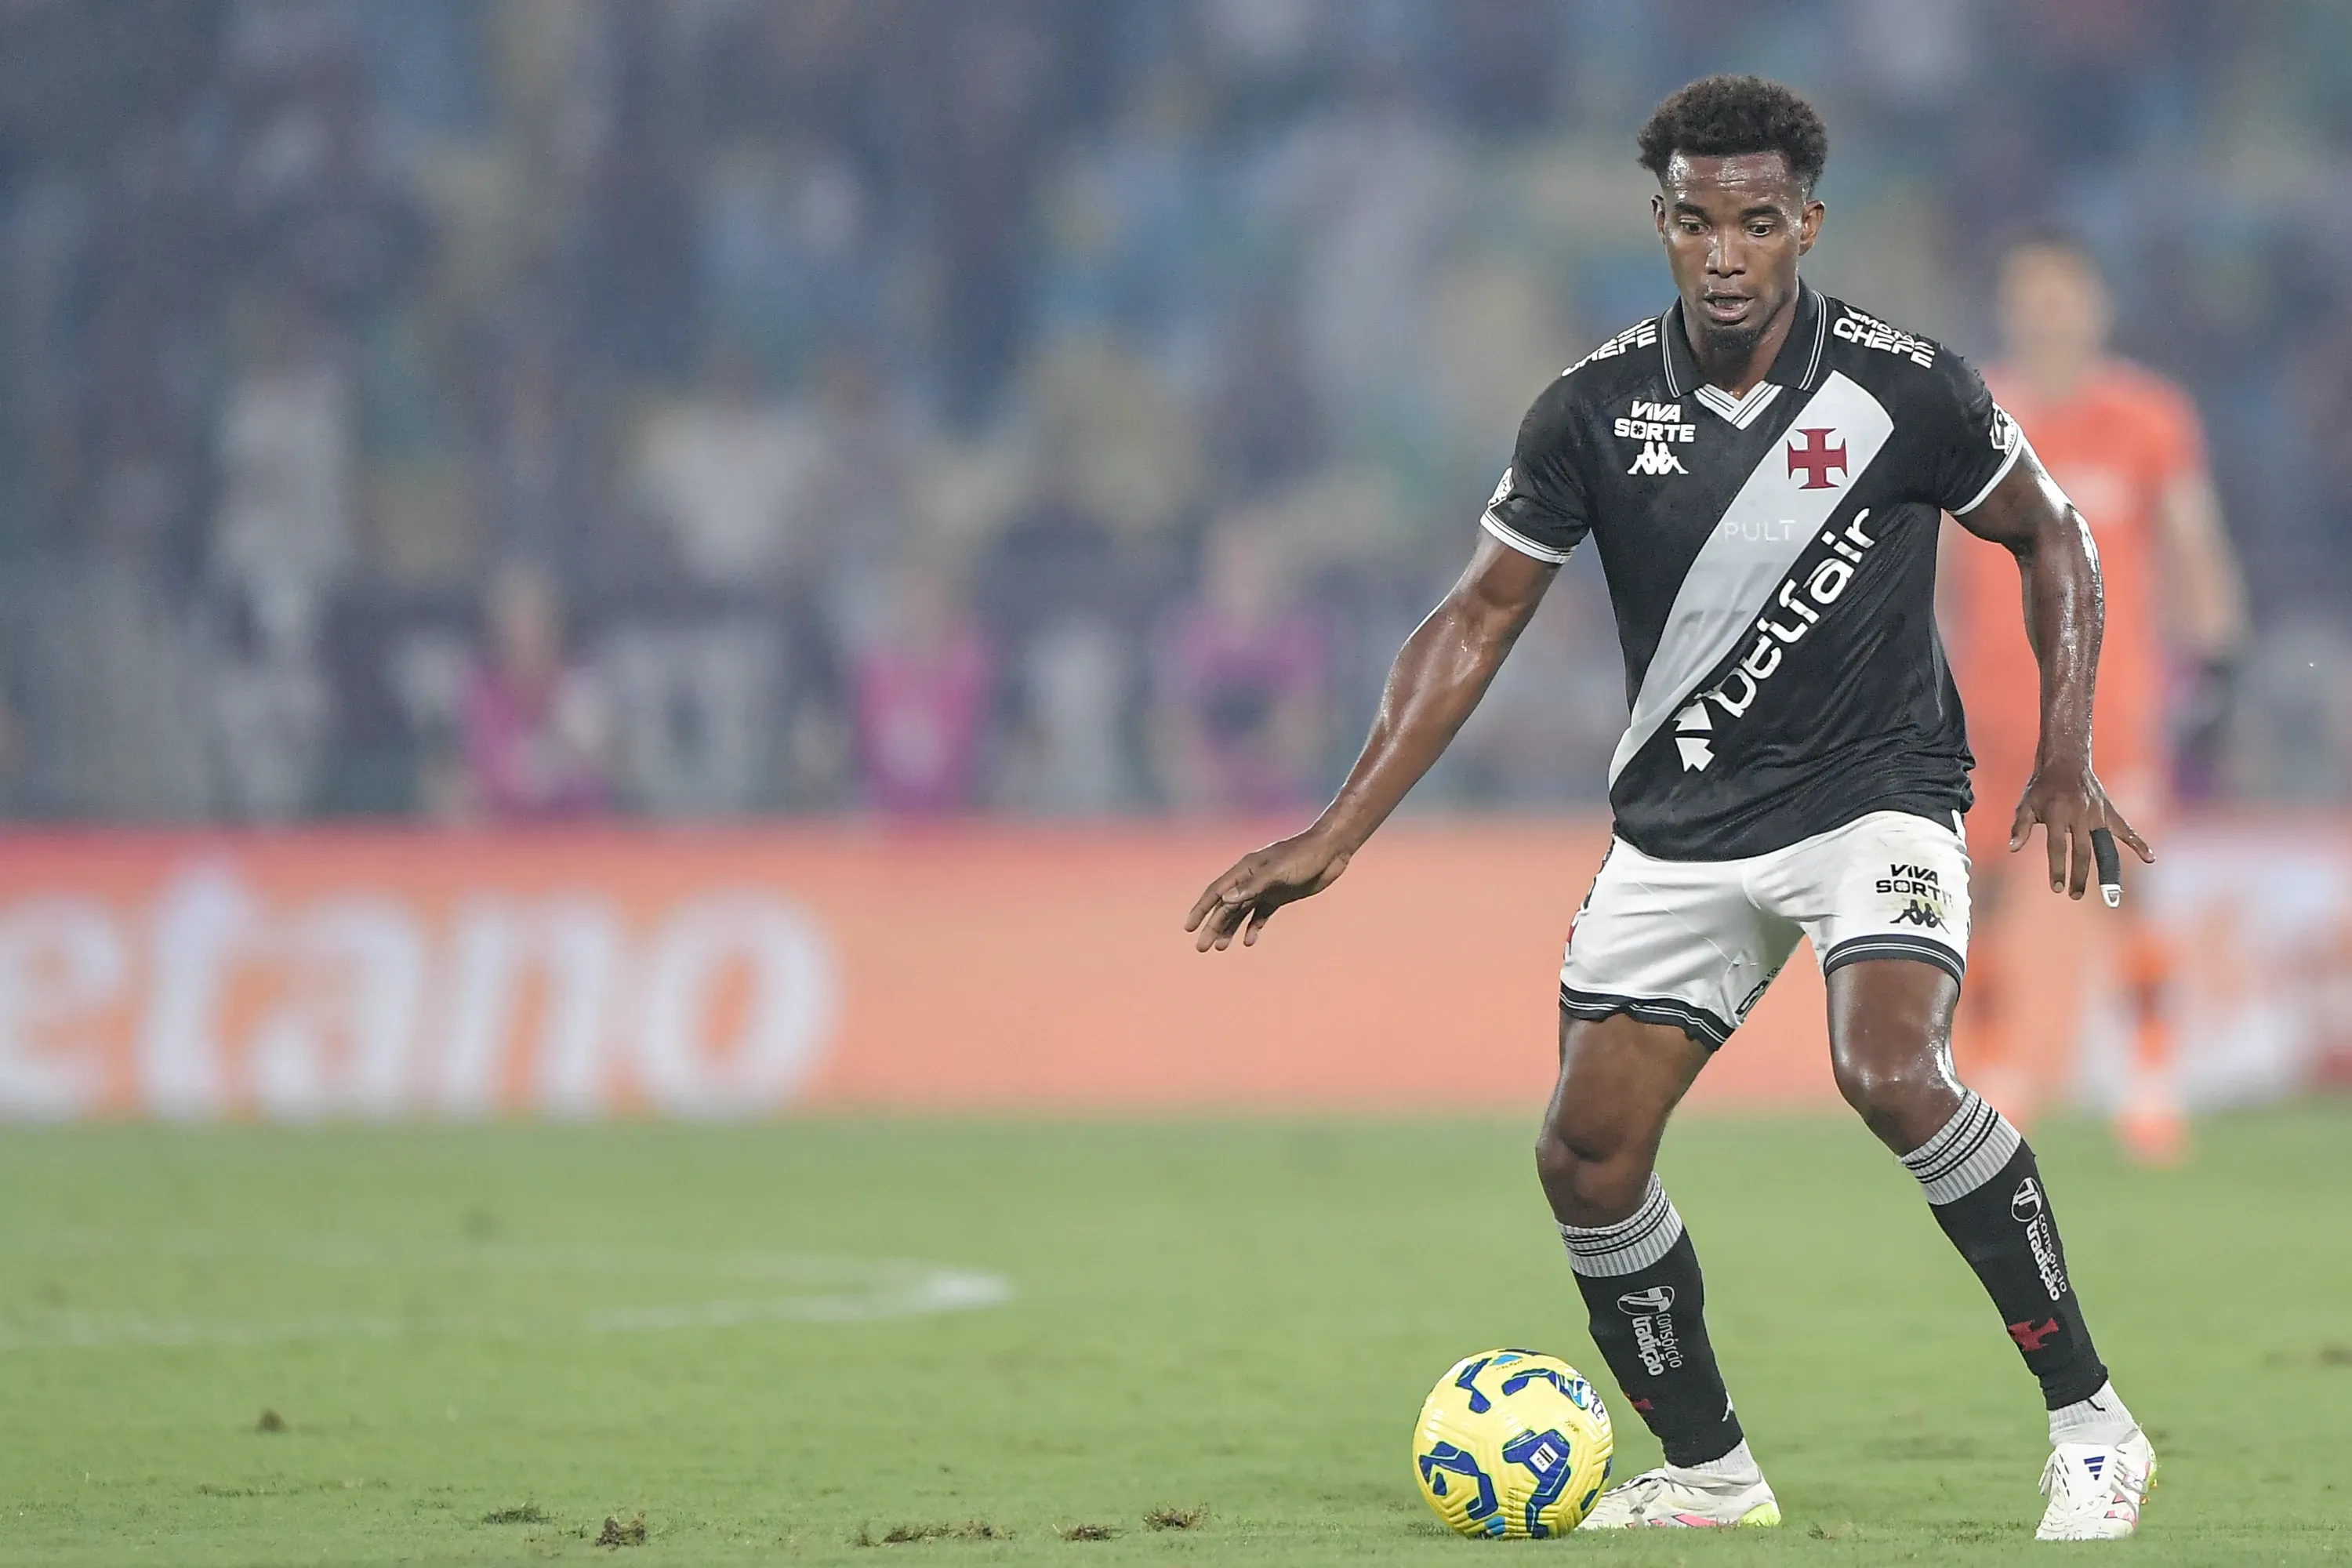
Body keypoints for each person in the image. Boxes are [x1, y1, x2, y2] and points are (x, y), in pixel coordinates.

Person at [1186, 77, 2155, 1540]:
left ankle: (2093, 1425)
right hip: (1683, 829)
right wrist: (1335, 832)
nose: (1723, 253)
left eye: (1756, 223)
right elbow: (1475, 620)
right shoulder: (1587, 410)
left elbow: (2053, 538)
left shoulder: (1909, 388)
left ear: (1805, 226)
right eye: (1696, 221)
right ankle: (1712, 1474)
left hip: (1876, 800)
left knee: (1889, 1072)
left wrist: (2066, 750)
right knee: (1584, 1156)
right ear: (1661, 222)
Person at [1947, 234, 2246, 1163]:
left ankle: (2151, 1076)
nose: (2050, 312)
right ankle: (1995, 1074)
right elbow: (1920, 556)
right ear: (2010, 307)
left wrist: (2219, 657)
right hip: (1990, 704)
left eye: (2064, 295)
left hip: (2108, 703)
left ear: (2095, 305)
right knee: (1984, 892)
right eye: (2032, 296)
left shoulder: (2147, 419)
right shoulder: (1971, 417)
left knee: (2124, 891)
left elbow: (2195, 541)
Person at [456, 563, 612, 822]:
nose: (525, 631)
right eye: (514, 619)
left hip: (577, 837)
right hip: (505, 840)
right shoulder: (483, 690)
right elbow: (491, 769)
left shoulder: (579, 685)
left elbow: (593, 764)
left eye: (534, 618)